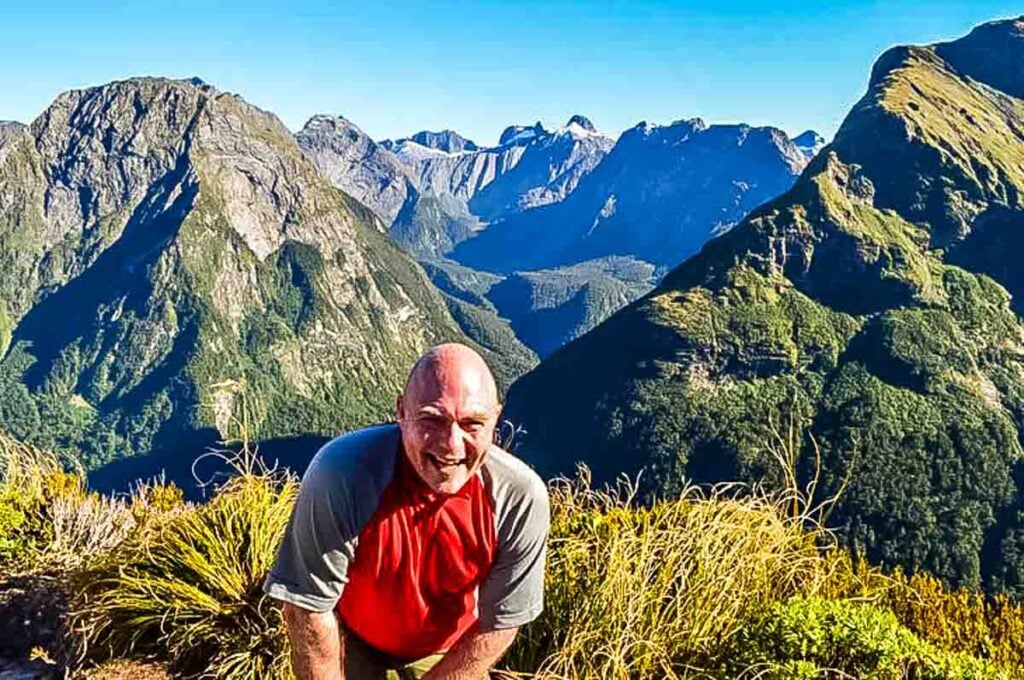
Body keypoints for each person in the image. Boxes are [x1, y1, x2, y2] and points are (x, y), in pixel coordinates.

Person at [263, 343, 550, 679]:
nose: (451, 445)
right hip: (351, 640)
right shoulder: (342, 475)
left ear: (495, 419)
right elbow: (307, 610)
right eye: (432, 419)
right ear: (401, 412)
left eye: (472, 424)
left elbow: (500, 622)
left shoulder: (519, 498)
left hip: (448, 653)